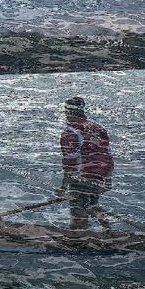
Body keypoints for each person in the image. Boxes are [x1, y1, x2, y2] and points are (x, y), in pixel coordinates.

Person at [58, 96, 114, 230]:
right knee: (91, 205)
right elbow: (106, 154)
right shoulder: (98, 128)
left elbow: (70, 163)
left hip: (82, 177)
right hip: (100, 175)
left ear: (69, 112)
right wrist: (108, 179)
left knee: (78, 213)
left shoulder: (70, 131)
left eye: (66, 111)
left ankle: (78, 235)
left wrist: (63, 187)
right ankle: (107, 230)